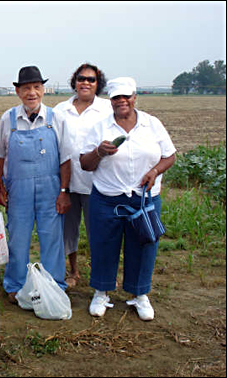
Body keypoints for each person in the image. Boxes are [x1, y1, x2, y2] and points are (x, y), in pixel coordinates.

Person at [79, 77, 176, 321]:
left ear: (134, 97)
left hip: (144, 199)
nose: (121, 102)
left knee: (144, 245)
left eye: (126, 97)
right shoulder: (100, 127)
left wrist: (155, 171)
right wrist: (99, 152)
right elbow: (85, 163)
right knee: (103, 245)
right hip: (108, 198)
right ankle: (101, 291)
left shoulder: (152, 124)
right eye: (116, 98)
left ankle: (139, 294)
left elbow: (169, 156)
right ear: (110, 101)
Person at [0, 66, 72, 304]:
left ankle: (54, 285)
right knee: (18, 238)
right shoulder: (8, 120)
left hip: (51, 189)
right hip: (19, 190)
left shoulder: (56, 119)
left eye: (36, 87)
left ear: (43, 90)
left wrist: (63, 192)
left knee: (52, 238)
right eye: (26, 88)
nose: (32, 93)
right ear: (17, 91)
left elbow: (66, 159)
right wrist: (1, 186)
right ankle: (15, 285)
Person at [54, 63, 112, 288]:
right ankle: (73, 271)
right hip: (67, 183)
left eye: (91, 79)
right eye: (81, 78)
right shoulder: (60, 109)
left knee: (99, 231)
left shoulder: (107, 109)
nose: (85, 83)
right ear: (74, 82)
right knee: (68, 231)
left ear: (98, 84)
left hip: (97, 183)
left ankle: (103, 274)